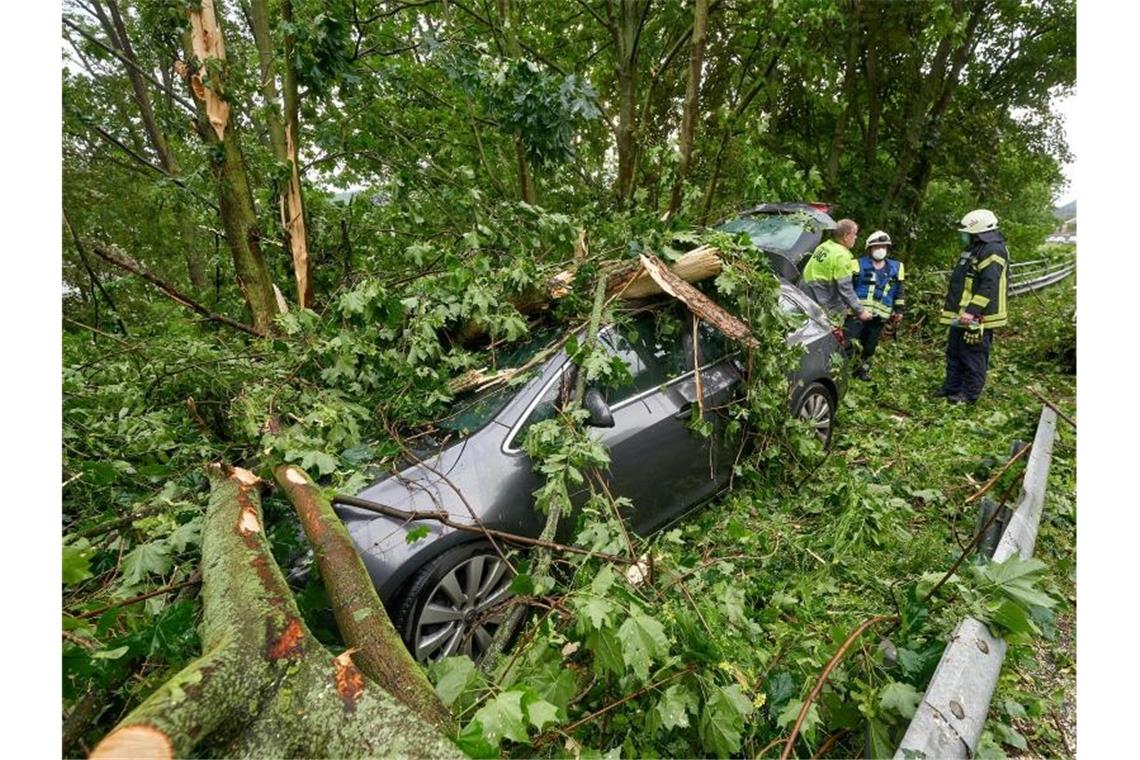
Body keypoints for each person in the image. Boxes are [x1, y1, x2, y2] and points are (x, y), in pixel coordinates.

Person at [937, 209, 1009, 403]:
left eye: (967, 233)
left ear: (978, 232)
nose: (964, 236)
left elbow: (988, 285)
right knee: (955, 352)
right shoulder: (974, 249)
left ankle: (968, 395)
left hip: (979, 315)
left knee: (973, 356)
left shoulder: (993, 250)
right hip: (962, 313)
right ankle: (951, 387)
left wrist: (972, 310)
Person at [844, 230, 905, 380]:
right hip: (856, 314)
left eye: (884, 246)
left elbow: (899, 291)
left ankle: (862, 371)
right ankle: (842, 371)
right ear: (870, 248)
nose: (880, 249)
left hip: (879, 316)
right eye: (877, 246)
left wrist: (899, 310)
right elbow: (847, 288)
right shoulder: (856, 264)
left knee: (869, 346)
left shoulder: (896, 267)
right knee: (849, 343)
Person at [800, 218, 871, 322]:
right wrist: (861, 311)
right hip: (819, 294)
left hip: (803, 290)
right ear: (846, 236)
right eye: (854, 234)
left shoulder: (825, 246)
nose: (856, 237)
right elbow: (845, 288)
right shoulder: (841, 255)